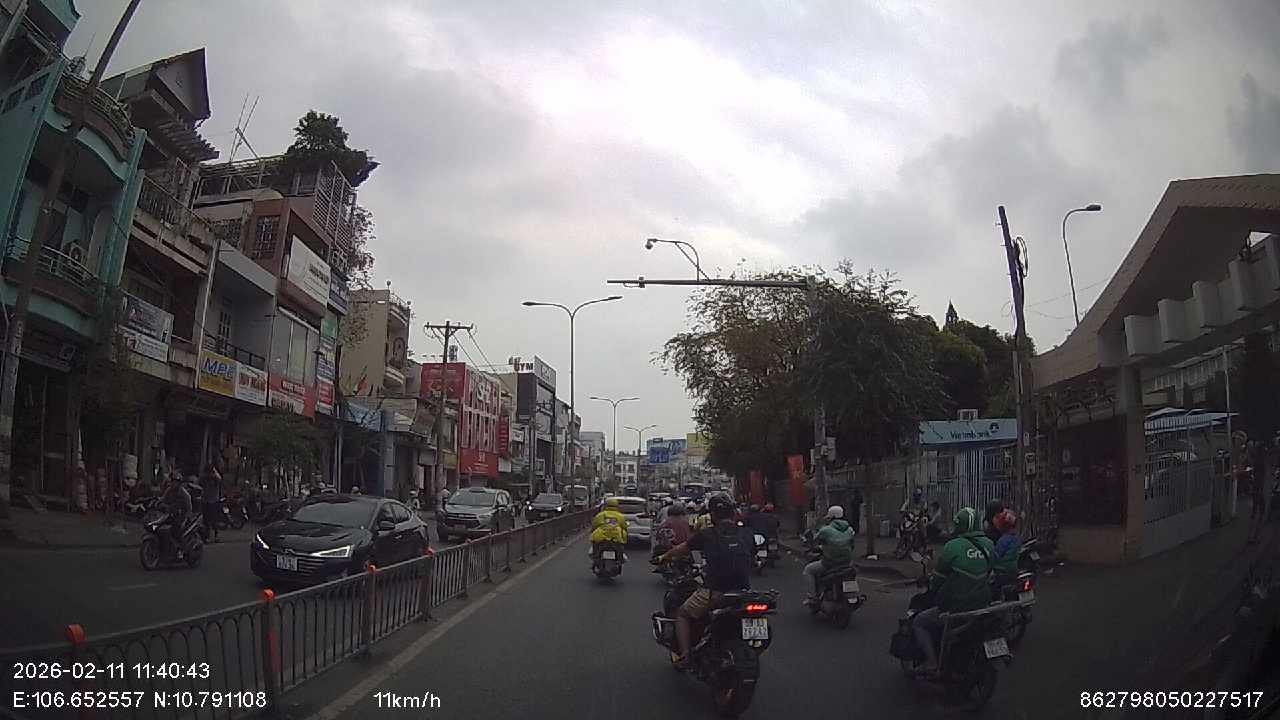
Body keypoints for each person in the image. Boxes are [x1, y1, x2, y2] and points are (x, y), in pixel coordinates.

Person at [655, 493, 754, 667]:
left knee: (682, 614)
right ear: (733, 513)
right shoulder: (746, 533)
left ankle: (685, 655)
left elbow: (682, 548)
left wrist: (664, 557)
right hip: (743, 592)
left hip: (714, 592)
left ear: (713, 515)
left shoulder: (707, 534)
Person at [913, 507, 994, 675]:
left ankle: (932, 662)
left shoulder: (953, 546)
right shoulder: (989, 544)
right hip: (983, 603)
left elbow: (938, 579)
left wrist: (933, 584)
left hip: (957, 606)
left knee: (919, 622)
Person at [803, 505, 855, 602]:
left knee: (808, 570)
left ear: (830, 517)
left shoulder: (825, 530)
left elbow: (814, 541)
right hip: (847, 563)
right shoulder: (850, 530)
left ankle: (813, 597)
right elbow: (852, 545)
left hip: (830, 563)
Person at [162, 474, 193, 558]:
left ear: (179, 483)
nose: (173, 483)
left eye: (175, 482)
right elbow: (163, 500)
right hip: (171, 514)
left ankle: (181, 549)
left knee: (177, 530)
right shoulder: (169, 490)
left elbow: (189, 507)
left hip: (182, 516)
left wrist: (186, 518)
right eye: (172, 481)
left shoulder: (184, 493)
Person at [991, 509, 1022, 583]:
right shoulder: (1017, 538)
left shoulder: (1003, 540)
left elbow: (995, 556)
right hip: (1014, 570)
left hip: (1002, 571)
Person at [200, 464, 223, 543]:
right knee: (206, 520)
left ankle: (216, 536)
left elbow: (219, 479)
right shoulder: (204, 478)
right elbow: (199, 482)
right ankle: (207, 536)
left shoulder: (215, 478)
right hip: (205, 500)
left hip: (214, 501)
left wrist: (214, 471)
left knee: (214, 520)